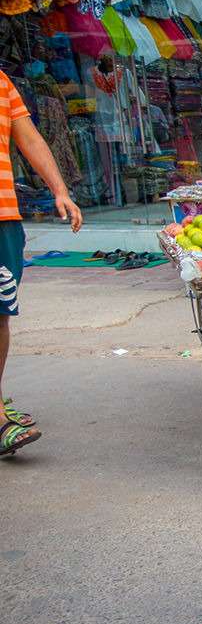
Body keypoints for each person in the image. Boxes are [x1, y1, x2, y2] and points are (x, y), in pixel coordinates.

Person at [0, 68, 83, 456]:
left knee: (1, 314)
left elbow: (28, 137)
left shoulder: (2, 82)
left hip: (3, 217)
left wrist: (60, 190)